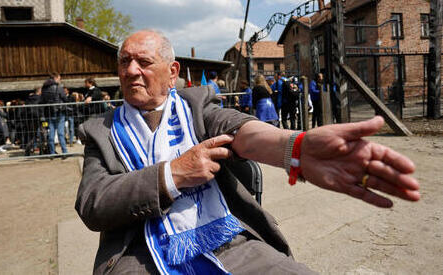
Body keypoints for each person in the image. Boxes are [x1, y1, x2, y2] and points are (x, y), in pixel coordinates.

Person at [76, 30, 420, 275]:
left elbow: (239, 130)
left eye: (143, 61)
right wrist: (173, 173)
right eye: (124, 61)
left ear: (172, 72)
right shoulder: (100, 130)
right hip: (139, 255)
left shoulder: (197, 107)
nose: (131, 70)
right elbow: (94, 204)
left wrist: (294, 147)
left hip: (225, 239)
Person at [41, 72, 68, 155]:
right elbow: (64, 98)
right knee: (60, 133)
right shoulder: (58, 87)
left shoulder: (44, 88)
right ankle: (64, 152)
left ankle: (52, 153)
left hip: (49, 112)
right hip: (59, 112)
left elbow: (42, 100)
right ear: (55, 78)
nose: (60, 80)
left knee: (51, 134)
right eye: (59, 78)